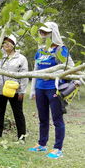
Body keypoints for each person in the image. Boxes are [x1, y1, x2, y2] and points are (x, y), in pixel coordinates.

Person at [28, 22, 74, 159]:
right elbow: (36, 70)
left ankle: (57, 148)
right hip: (40, 88)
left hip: (54, 89)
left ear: (53, 33)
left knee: (57, 119)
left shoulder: (61, 49)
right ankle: (42, 144)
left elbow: (70, 67)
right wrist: (33, 90)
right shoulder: (41, 50)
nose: (43, 35)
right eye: (41, 32)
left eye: (46, 32)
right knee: (43, 118)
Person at [0, 34, 28, 140]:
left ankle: (21, 136)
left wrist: (22, 91)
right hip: (0, 89)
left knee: (18, 113)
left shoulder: (21, 59)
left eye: (9, 42)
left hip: (14, 91)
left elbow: (24, 76)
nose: (6, 44)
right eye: (4, 42)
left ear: (14, 44)